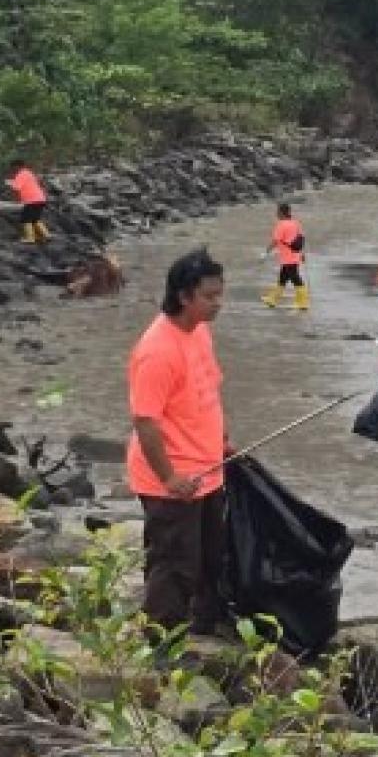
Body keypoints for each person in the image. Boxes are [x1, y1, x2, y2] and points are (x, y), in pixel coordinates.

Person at [126, 249, 230, 635]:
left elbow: (208, 391)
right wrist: (169, 477)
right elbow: (145, 420)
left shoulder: (199, 331)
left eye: (220, 294)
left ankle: (205, 626)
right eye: (210, 296)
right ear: (184, 296)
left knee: (210, 556)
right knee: (174, 564)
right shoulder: (157, 351)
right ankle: (160, 643)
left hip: (208, 470)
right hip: (170, 482)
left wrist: (222, 440)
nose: (218, 304)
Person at [263, 202, 309, 311]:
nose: (276, 214)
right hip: (295, 256)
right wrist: (302, 254)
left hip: (288, 258)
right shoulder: (295, 223)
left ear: (282, 213)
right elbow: (301, 240)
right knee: (283, 278)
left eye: (278, 212)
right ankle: (272, 299)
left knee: (295, 279)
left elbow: (275, 241)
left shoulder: (281, 225)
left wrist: (266, 251)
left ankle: (303, 303)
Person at [9, 158, 50, 244]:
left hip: (32, 200)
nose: (12, 170)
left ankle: (30, 238)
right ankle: (46, 234)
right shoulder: (29, 173)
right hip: (40, 199)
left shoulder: (20, 175)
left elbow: (15, 188)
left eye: (13, 168)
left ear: (17, 166)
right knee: (35, 218)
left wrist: (15, 199)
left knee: (26, 218)